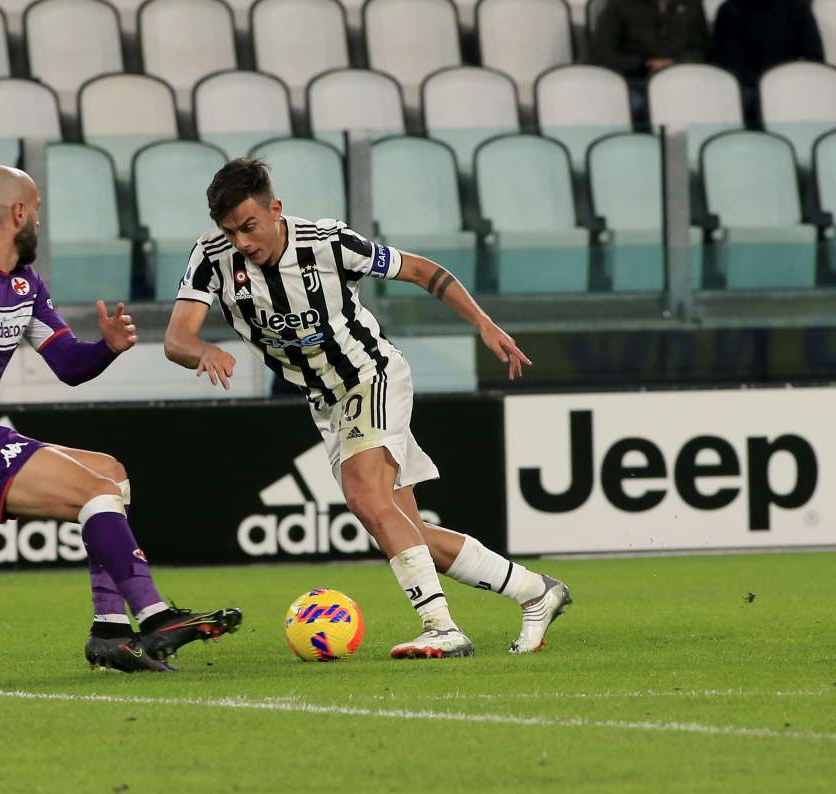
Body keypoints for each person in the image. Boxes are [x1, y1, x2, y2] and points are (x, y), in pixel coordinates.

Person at [164, 159, 571, 658]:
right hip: (326, 405)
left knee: (365, 495)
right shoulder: (211, 257)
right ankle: (535, 591)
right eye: (230, 231)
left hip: (370, 376)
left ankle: (441, 627)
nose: (242, 242)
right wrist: (201, 350)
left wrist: (484, 324)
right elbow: (176, 337)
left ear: (275, 209)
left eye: (249, 227)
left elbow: (425, 271)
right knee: (408, 531)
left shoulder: (328, 242)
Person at [0, 165, 240, 673]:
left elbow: (68, 365)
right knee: (94, 491)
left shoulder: (24, 284)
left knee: (109, 473)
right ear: (19, 213)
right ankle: (155, 617)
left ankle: (111, 633)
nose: (40, 226)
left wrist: (106, 349)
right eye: (38, 213)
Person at [592, 0, 710, 119]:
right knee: (635, 105)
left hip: (683, 80)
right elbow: (602, 52)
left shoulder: (692, 4)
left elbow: (702, 49)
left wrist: (674, 62)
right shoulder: (619, 5)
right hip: (635, 82)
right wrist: (642, 63)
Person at [713, 0, 824, 104]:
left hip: (793, 87)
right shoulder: (729, 11)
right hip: (750, 91)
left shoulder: (798, 8)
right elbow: (731, 66)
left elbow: (814, 60)